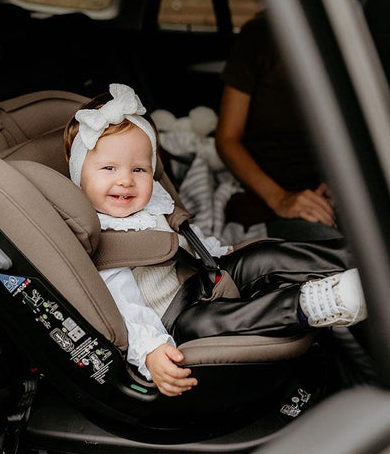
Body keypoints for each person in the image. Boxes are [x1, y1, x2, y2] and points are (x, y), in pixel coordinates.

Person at [63, 83, 367, 397]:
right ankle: (312, 304)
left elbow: (186, 238)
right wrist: (151, 350)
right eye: (109, 168)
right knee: (204, 324)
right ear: (79, 176)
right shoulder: (103, 239)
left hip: (204, 275)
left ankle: (358, 259)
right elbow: (125, 310)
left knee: (262, 256)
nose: (126, 179)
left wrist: (220, 254)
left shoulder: (151, 202)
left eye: (139, 169)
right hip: (178, 316)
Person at [215, 12, 337, 234]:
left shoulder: (361, 35)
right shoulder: (261, 34)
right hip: (267, 190)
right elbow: (227, 139)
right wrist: (279, 198)